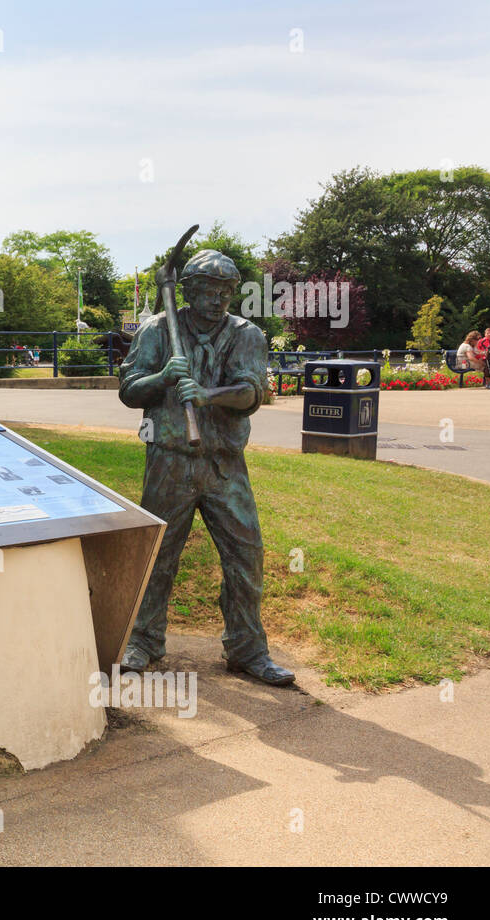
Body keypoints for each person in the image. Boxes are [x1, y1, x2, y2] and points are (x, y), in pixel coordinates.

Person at [118, 248, 294, 687]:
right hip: (170, 462)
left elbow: (252, 394)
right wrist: (162, 379)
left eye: (227, 291)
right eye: (209, 290)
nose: (218, 300)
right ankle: (143, 639)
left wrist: (208, 395)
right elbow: (129, 389)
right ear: (189, 290)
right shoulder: (157, 331)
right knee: (158, 554)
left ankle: (247, 649)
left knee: (246, 554)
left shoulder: (246, 334)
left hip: (224, 464)